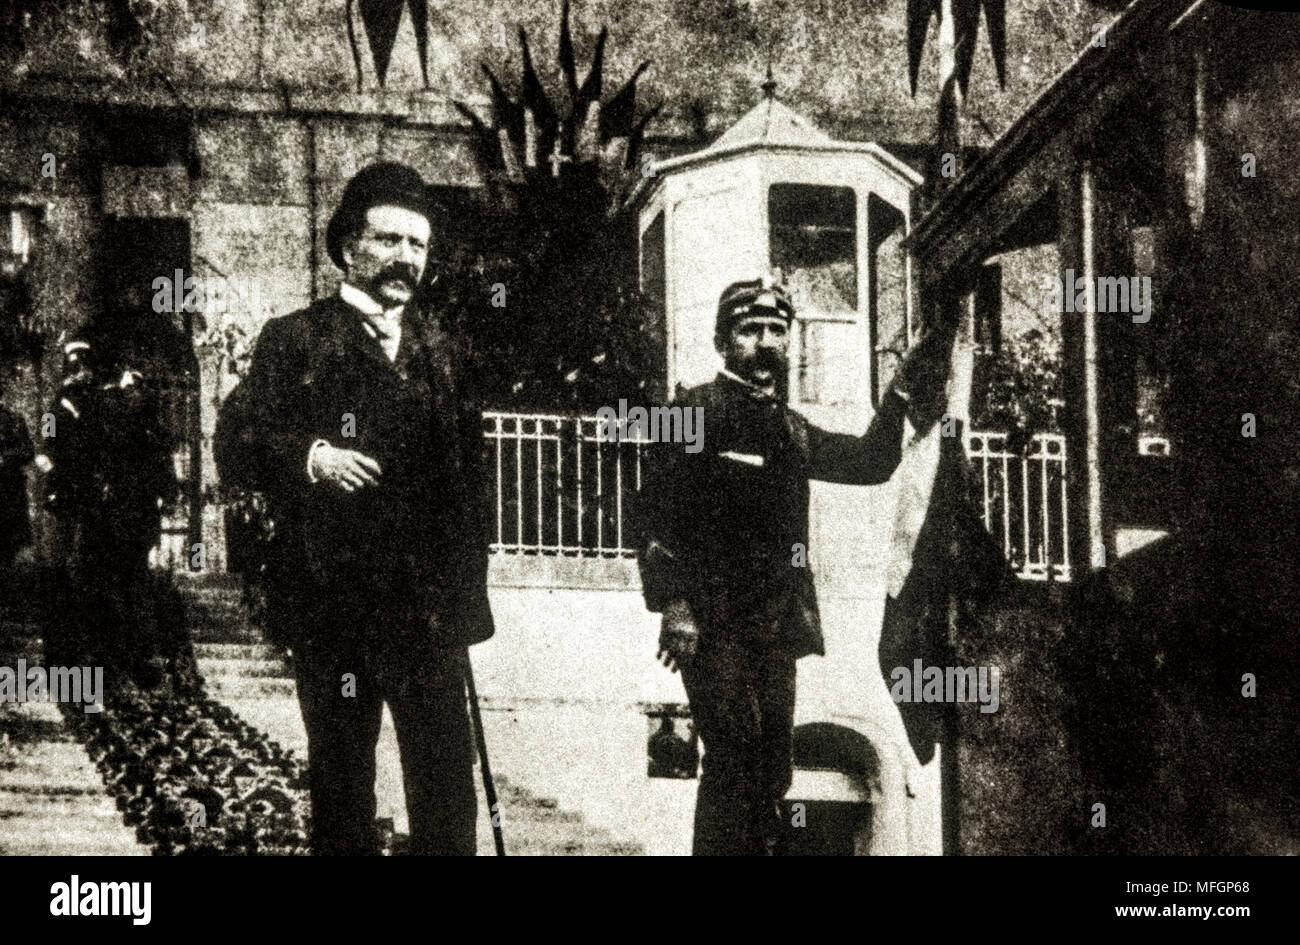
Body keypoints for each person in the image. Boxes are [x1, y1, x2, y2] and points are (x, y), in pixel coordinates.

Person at [214, 161, 495, 856]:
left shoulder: (442, 352)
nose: (406, 258)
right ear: (348, 247)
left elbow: (469, 485)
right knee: (343, 784)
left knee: (445, 789)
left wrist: (467, 602)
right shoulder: (296, 340)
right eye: (389, 239)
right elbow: (238, 439)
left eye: (418, 245)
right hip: (333, 605)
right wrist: (314, 457)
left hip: (427, 612)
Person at [634, 274, 936, 856]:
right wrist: (674, 604)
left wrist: (902, 386)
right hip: (712, 624)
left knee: (773, 769)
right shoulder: (690, 409)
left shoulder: (791, 429)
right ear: (724, 343)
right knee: (731, 758)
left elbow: (869, 461)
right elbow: (652, 513)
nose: (768, 341)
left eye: (778, 330)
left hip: (776, 630)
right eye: (751, 330)